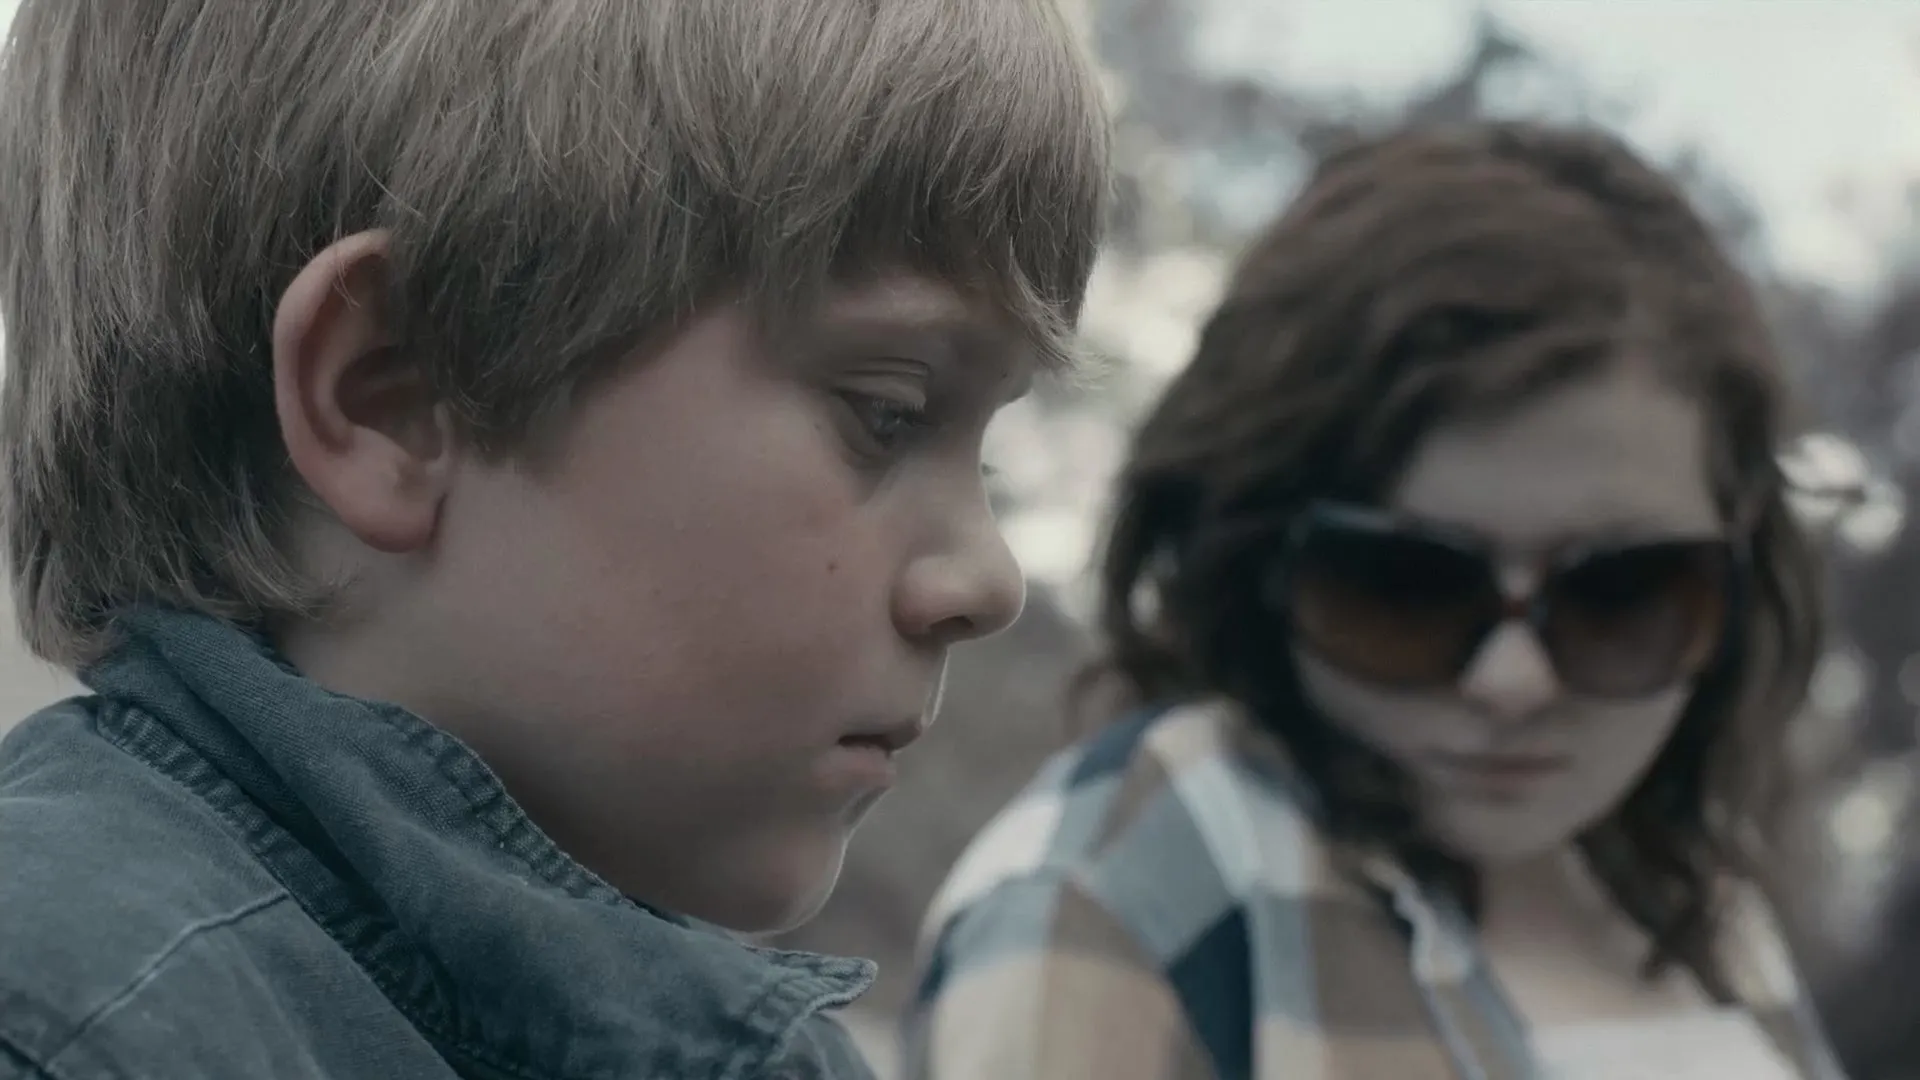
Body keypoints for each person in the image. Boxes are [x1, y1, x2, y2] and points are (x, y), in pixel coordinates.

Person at [0, 2, 1107, 1077]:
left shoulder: (738, 1037)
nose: (990, 581)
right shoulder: (70, 1026)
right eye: (889, 413)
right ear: (396, 399)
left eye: (985, 459)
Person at [905, 121, 1847, 1080]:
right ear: (1259, 549)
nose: (1512, 682)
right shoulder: (1116, 897)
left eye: (1620, 593)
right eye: (1411, 587)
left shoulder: (1691, 894)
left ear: (1739, 560)